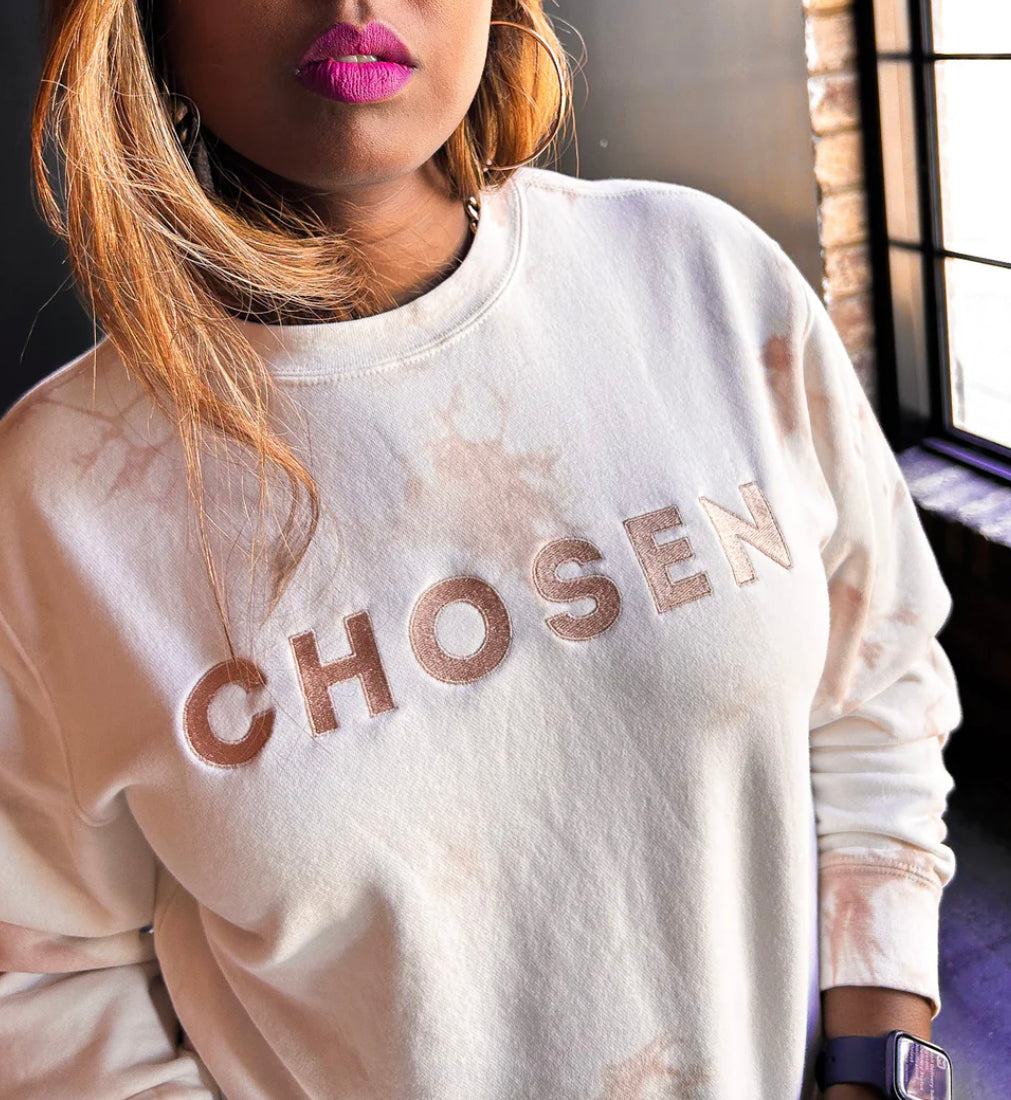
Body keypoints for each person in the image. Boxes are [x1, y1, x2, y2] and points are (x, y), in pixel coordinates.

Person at [0, 1, 962, 1098]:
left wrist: (879, 1062)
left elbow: (877, 688)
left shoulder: (706, 280)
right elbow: (40, 973)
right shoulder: (54, 498)